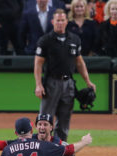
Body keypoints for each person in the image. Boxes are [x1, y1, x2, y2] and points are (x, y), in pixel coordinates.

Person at [35, 8, 96, 142]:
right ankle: (42, 150)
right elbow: (38, 63)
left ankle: (60, 153)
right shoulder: (45, 40)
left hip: (68, 84)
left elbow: (79, 62)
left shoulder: (74, 39)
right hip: (51, 83)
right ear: (53, 21)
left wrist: (88, 81)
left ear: (67, 22)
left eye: (63, 20)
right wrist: (38, 85)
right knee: (45, 120)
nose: (60, 23)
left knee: (64, 120)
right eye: (58, 20)